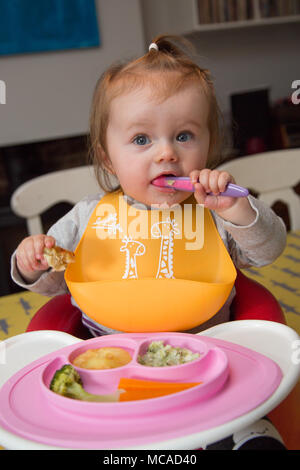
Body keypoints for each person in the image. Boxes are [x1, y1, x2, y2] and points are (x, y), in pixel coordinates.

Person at [11, 35, 286, 449]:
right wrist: (32, 262)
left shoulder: (213, 208)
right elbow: (56, 282)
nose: (166, 154)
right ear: (108, 157)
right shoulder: (88, 216)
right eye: (142, 140)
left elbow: (269, 250)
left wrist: (239, 213)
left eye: (184, 136)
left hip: (211, 363)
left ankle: (251, 432)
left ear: (208, 144)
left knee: (243, 414)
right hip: (111, 367)